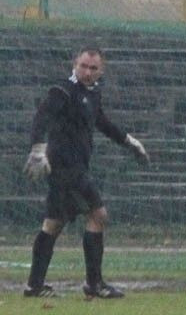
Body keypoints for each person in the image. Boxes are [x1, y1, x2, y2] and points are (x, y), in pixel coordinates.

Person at [22, 47, 150, 299]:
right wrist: (38, 148)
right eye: (83, 66)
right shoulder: (63, 90)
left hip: (74, 167)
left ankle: (34, 286)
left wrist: (129, 141)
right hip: (66, 168)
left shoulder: (92, 94)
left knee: (53, 224)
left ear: (101, 70)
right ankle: (94, 284)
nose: (87, 72)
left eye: (93, 68)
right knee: (99, 216)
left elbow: (101, 122)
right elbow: (42, 116)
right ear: (74, 64)